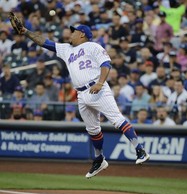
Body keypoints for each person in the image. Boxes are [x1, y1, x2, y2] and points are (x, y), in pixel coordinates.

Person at [10, 20, 150, 178]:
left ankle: (140, 150)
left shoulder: (93, 46)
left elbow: (106, 64)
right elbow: (45, 42)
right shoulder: (66, 49)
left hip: (98, 89)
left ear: (82, 34)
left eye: (74, 31)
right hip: (81, 94)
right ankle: (99, 159)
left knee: (117, 120)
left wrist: (100, 82)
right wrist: (26, 32)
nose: (71, 33)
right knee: (93, 130)